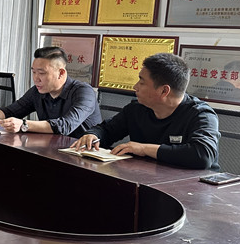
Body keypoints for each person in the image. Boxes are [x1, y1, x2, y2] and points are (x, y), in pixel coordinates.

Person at [72, 53, 220, 169]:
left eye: (142, 82)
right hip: (146, 179)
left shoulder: (201, 115)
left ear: (164, 91)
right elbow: (107, 130)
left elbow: (203, 155)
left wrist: (143, 149)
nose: (135, 87)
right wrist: (93, 135)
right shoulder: (137, 109)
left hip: (190, 189)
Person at [0, 46, 101, 138]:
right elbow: (11, 111)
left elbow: (65, 125)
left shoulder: (84, 92)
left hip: (86, 155)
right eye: (33, 72)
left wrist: (24, 124)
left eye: (41, 73)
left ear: (61, 73)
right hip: (54, 149)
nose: (36, 78)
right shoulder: (37, 91)